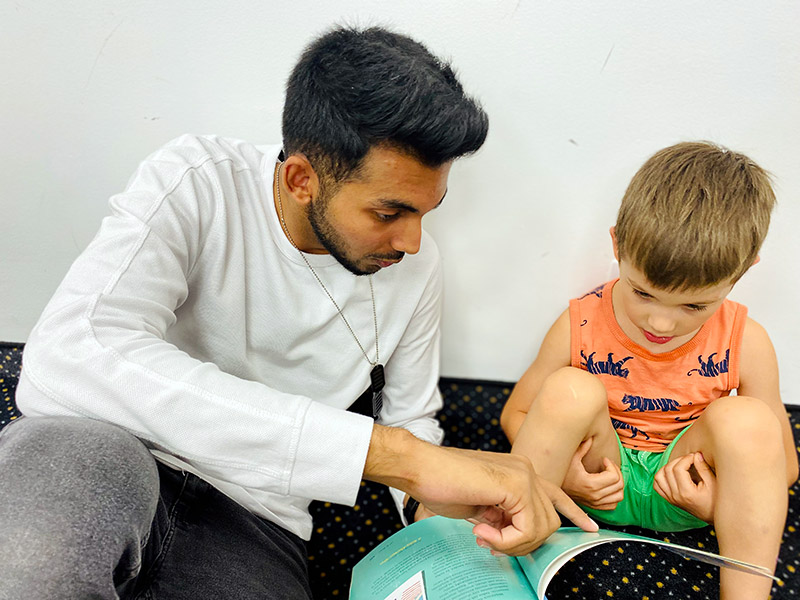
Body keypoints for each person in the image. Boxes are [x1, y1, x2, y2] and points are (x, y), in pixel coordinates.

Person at [0, 25, 594, 600]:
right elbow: (67, 357)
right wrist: (402, 460)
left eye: (426, 212)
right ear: (301, 179)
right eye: (388, 214)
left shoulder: (418, 267)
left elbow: (413, 418)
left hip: (258, 525)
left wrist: (446, 505)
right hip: (118, 451)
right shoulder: (198, 183)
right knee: (34, 559)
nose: (413, 242)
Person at [501, 141, 799, 600]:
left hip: (686, 491)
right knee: (568, 389)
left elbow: (785, 466)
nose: (660, 324)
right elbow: (515, 415)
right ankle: (503, 565)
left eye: (694, 306)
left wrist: (719, 503)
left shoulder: (748, 340)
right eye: (643, 293)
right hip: (597, 481)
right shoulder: (580, 322)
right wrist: (567, 479)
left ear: (742, 272)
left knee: (748, 419)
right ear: (617, 244)